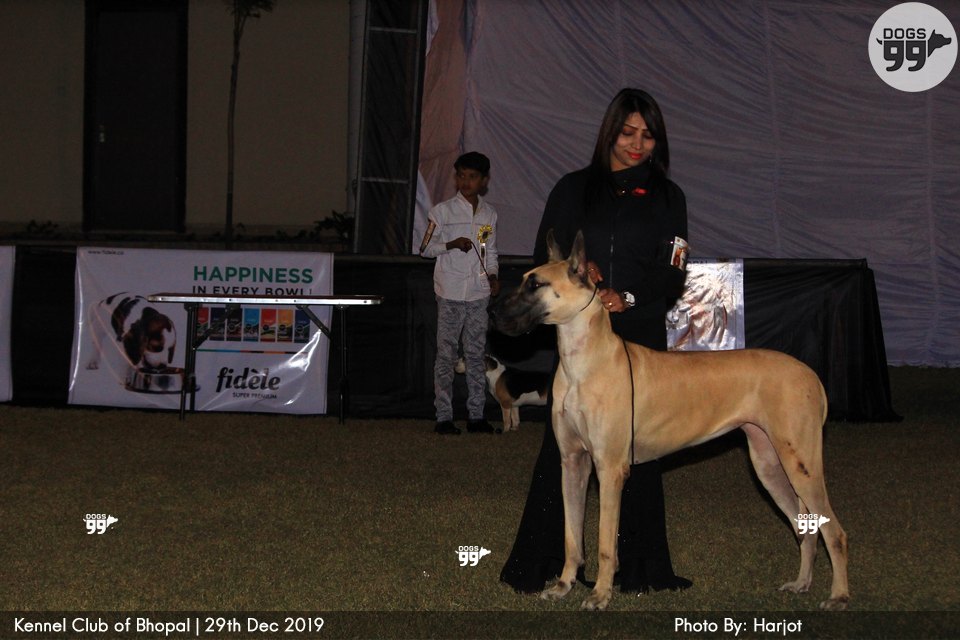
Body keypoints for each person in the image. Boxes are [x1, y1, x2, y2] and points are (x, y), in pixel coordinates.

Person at [500, 89, 692, 593]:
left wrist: (626, 295)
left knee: (637, 454)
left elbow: (672, 276)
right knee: (561, 454)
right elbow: (550, 256)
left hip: (636, 335)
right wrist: (580, 274)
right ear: (610, 130)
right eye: (628, 133)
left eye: (648, 136)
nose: (637, 145)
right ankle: (548, 564)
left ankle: (640, 570)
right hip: (580, 340)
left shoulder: (669, 198)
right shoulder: (572, 188)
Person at [420, 151, 500, 435]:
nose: (466, 182)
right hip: (450, 291)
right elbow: (424, 249)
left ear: (484, 181)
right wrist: (451, 244)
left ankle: (476, 416)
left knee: (476, 354)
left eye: (472, 177)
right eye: (462, 176)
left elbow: (489, 252)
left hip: (478, 293)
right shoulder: (441, 212)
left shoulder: (489, 214)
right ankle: (444, 417)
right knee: (447, 355)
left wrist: (493, 276)